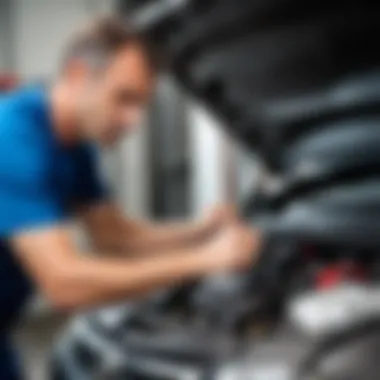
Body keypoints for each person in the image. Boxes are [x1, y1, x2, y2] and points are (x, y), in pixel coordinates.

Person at [0, 17, 260, 379]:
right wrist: (204, 260)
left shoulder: (76, 149)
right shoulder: (12, 136)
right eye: (124, 98)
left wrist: (202, 230)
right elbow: (63, 283)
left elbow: (116, 236)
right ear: (77, 75)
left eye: (141, 105)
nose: (133, 122)